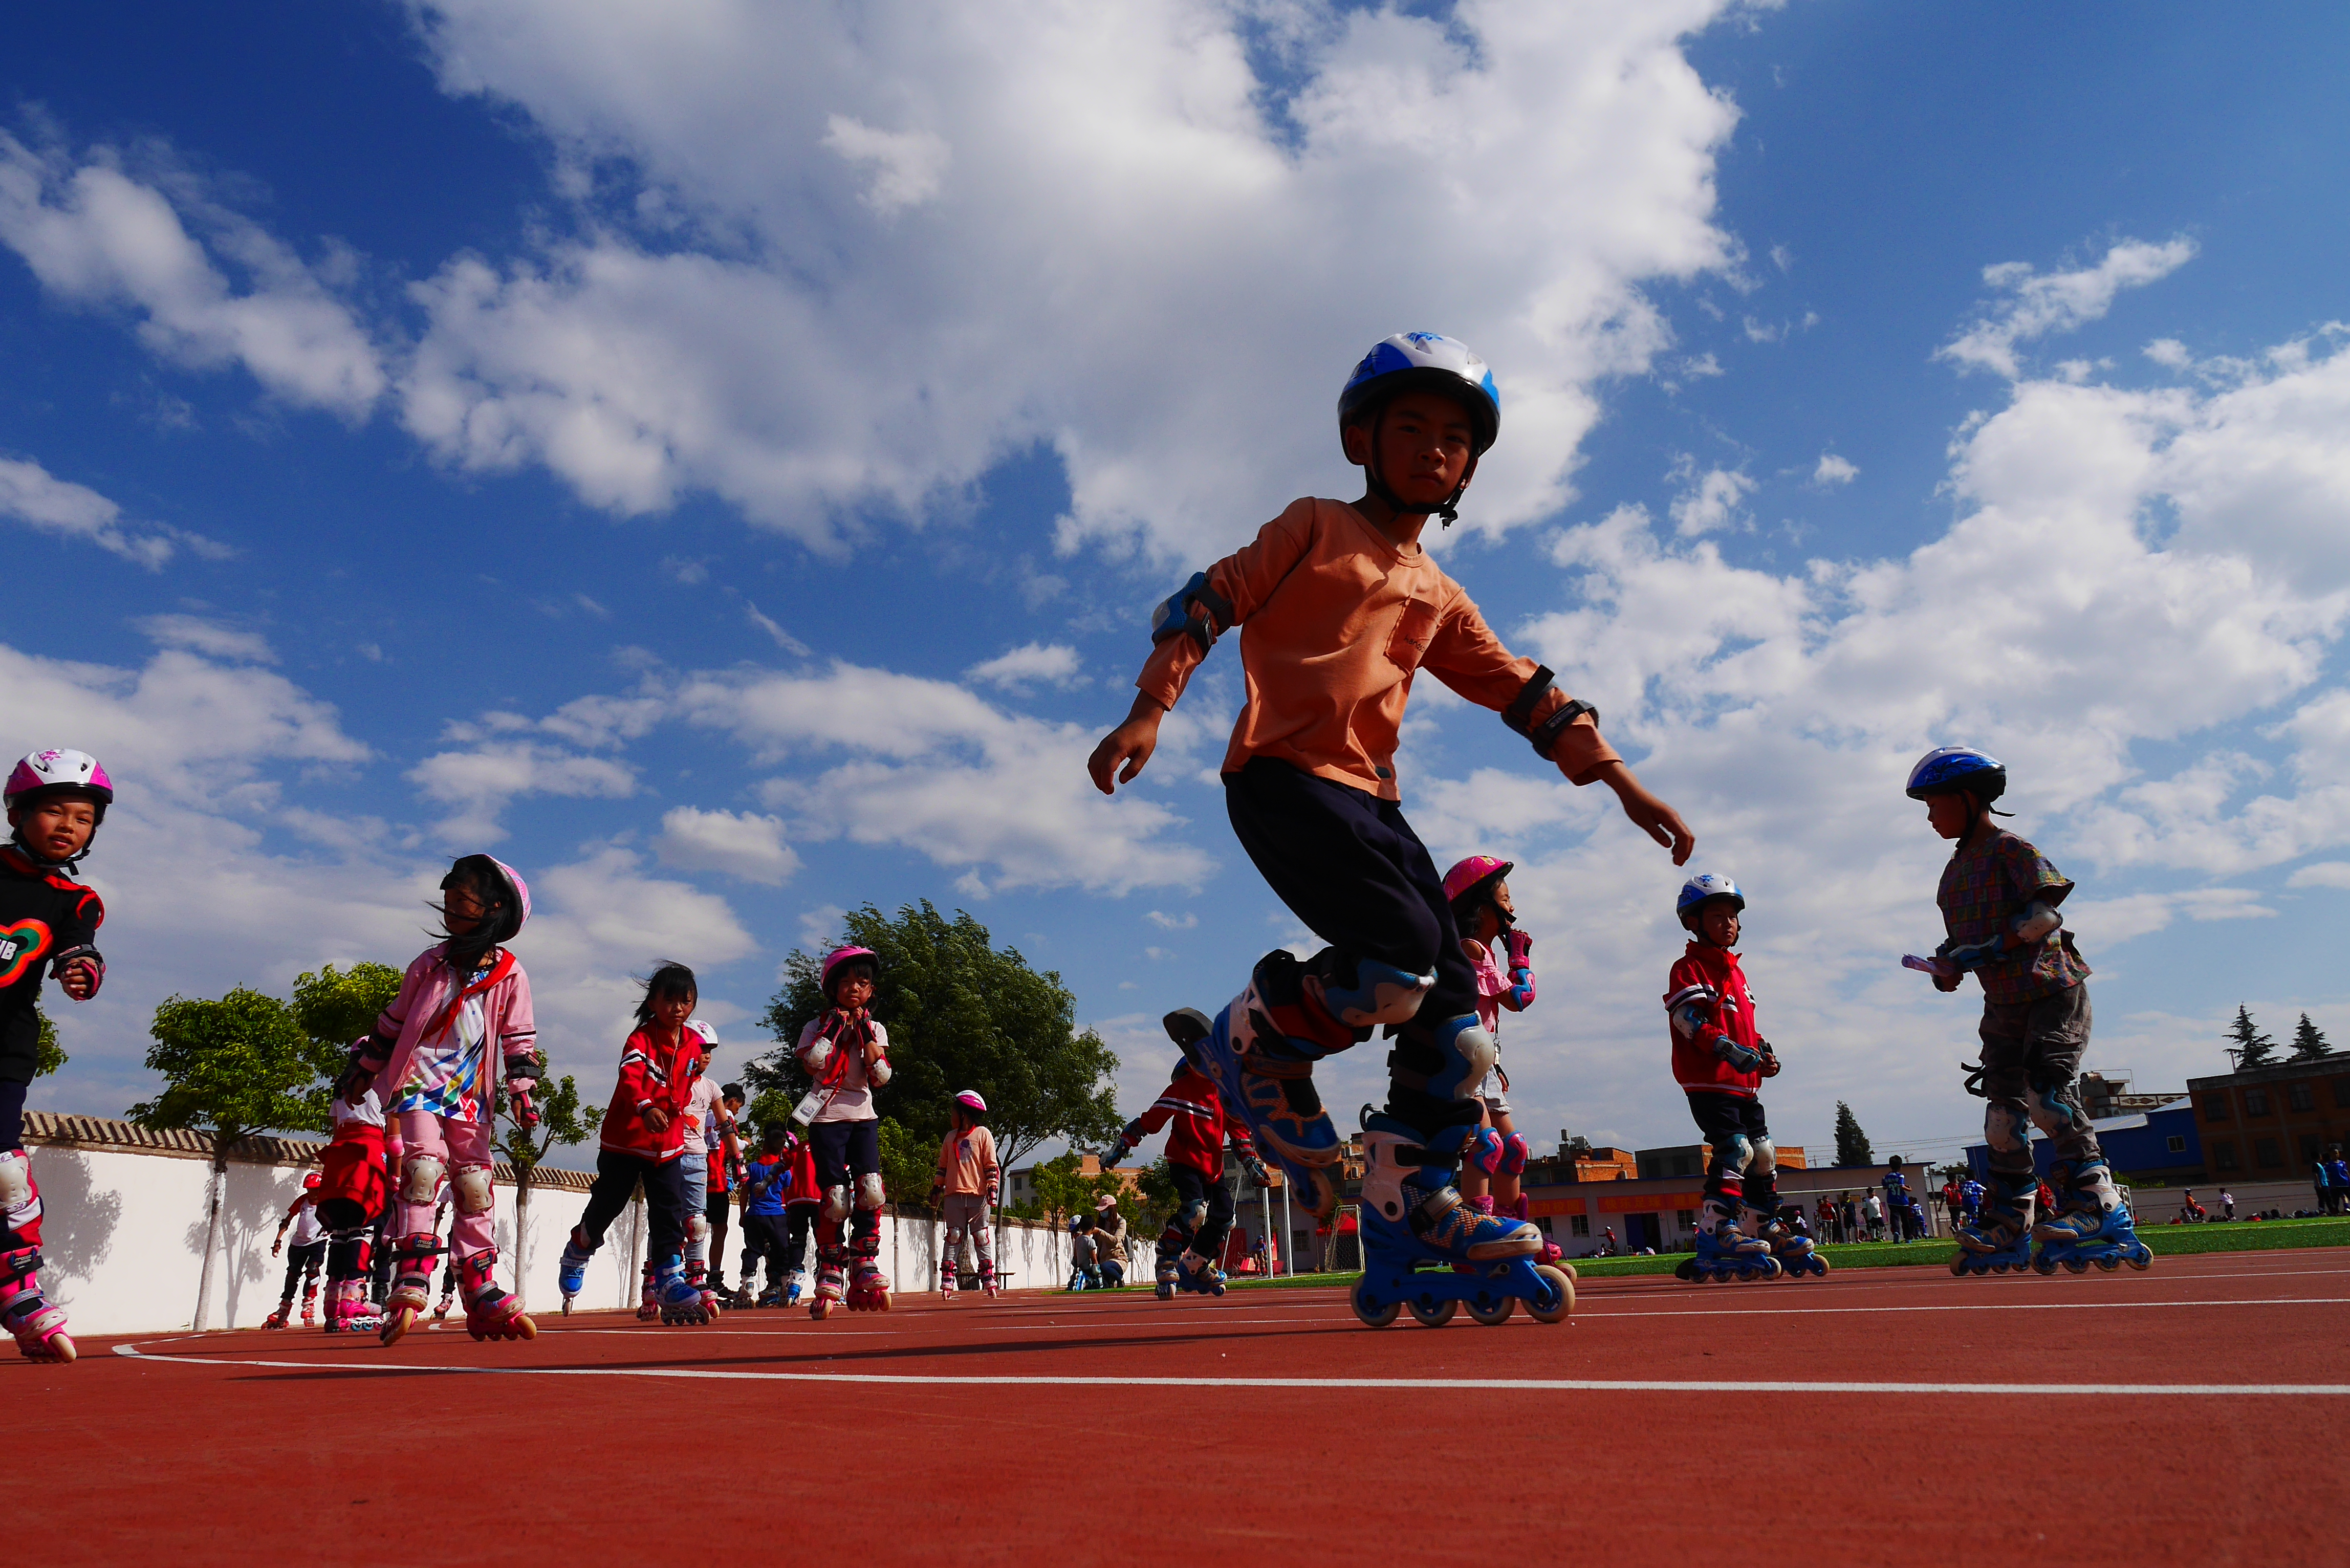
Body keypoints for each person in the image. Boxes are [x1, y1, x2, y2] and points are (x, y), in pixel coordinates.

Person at [1086, 333, 1690, 1321]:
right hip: (1282, 778)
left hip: (1375, 802)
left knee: (1461, 1035)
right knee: (1398, 963)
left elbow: (1521, 687)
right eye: (1410, 428)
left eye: (1455, 439)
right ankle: (1263, 1033)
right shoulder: (1313, 525)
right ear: (1360, 437)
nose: (1434, 450)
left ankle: (1408, 1200)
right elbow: (1207, 599)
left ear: (1470, 467)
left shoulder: (1438, 591)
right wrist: (1152, 704)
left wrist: (1620, 780)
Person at [1907, 747, 2149, 1276]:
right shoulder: (1953, 875)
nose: (1928, 815)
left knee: (2047, 1098)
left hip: (2049, 989)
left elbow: (2045, 917)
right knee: (2002, 1118)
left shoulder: (2011, 849)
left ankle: (2097, 1204)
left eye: (1933, 803)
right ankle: (2010, 1215)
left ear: (1968, 799)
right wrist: (1947, 967)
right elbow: (1961, 944)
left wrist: (1987, 949)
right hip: (2003, 1002)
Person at [338, 853, 538, 1344]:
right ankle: (412, 1271)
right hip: (419, 1081)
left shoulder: (510, 974)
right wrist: (364, 1070)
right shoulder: (429, 965)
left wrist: (523, 1092)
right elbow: (393, 1021)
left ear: (495, 909)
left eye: (461, 901)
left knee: (474, 1181)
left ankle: (479, 1283)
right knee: (423, 1169)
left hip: (471, 1090)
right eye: (448, 902)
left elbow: (518, 1039)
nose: (450, 911)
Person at [0, 749, 112, 1363]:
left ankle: (18, 1290)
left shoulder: (76, 898)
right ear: (17, 811)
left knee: (4, 1172)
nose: (69, 825)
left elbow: (81, 949)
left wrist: (80, 970)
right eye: (53, 810)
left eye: (83, 817)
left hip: (4, 1051)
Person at [1664, 875, 1820, 1281]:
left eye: (1733, 916)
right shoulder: (1689, 968)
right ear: (1692, 922)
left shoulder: (1737, 973)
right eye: (1718, 916)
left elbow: (1746, 1028)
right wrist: (1728, 1050)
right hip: (1709, 1081)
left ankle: (1761, 1223)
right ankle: (1717, 1229)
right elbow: (1687, 1019)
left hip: (1745, 1084)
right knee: (1736, 1150)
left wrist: (1764, 1053)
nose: (1729, 923)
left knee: (1764, 1154)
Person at [556, 962, 712, 1325]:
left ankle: (670, 1278)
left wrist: (676, 1112)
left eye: (685, 1001)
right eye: (669, 1000)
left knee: (669, 1212)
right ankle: (579, 1248)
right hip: (626, 1139)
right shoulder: (640, 1039)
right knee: (607, 1205)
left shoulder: (692, 1044)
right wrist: (646, 1108)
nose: (677, 1008)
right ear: (654, 1002)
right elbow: (629, 1076)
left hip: (669, 1145)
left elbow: (686, 1084)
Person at [1114, 1012, 1271, 1299]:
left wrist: (1252, 1166)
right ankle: (1166, 1256)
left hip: (1213, 1168)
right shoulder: (1182, 1089)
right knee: (1195, 1211)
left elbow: (1238, 1133)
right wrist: (1122, 1146)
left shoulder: (1223, 1095)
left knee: (1225, 1219)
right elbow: (1150, 1120)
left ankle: (1196, 1263)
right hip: (1184, 1161)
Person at [795, 946, 895, 1317]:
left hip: (863, 1115)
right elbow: (812, 1065)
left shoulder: (876, 1028)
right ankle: (832, 1265)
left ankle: (865, 1259)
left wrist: (866, 1032)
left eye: (863, 982)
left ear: (871, 991)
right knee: (835, 1197)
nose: (855, 988)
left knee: (870, 1190)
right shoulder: (814, 1026)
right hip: (826, 1118)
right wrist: (834, 1029)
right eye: (847, 981)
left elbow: (881, 1075)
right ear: (832, 987)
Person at [1442, 857, 1537, 1229]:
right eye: (1506, 897)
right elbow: (1519, 999)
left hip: (1484, 1064)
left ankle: (1511, 1229)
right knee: (1487, 1146)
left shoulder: (1483, 951)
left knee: (1514, 1148)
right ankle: (1476, 1233)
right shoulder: (1471, 950)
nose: (1513, 906)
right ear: (1482, 908)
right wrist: (1520, 957)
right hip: (1464, 1065)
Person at [316, 1085, 387, 1333]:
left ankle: (333, 1298)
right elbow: (396, 1139)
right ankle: (353, 1299)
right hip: (368, 1151)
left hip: (339, 1156)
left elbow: (337, 1130)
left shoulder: (340, 1090)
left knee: (340, 1231)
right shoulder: (386, 1085)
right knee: (363, 1226)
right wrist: (397, 1175)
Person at [929, 1089, 1000, 1299]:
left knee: (981, 1237)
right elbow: (942, 1167)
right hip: (953, 1196)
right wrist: (936, 1188)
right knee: (953, 1237)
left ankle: (989, 1279)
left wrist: (992, 1186)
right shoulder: (950, 1138)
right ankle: (947, 1280)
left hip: (978, 1197)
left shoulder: (983, 1134)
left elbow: (991, 1165)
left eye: (954, 1112)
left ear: (964, 1114)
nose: (951, 1116)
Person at [677, 1019, 727, 1318]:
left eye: (710, 1051)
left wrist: (739, 1161)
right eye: (701, 1049)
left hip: (697, 1158)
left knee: (696, 1222)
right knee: (667, 1219)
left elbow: (725, 1125)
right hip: (669, 1155)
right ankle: (656, 1276)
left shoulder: (711, 1087)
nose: (706, 1056)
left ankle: (696, 1276)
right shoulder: (673, 1079)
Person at [733, 1123, 795, 1308]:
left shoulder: (752, 1168)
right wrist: (790, 1215)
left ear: (763, 1146)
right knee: (782, 1251)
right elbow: (788, 1193)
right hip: (777, 1215)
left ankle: (748, 1284)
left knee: (753, 1250)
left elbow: (744, 1192)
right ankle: (785, 1285)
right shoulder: (784, 1170)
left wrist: (743, 1213)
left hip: (755, 1215)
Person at [266, 1173, 330, 1329]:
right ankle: (284, 1308)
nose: (313, 1194)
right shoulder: (302, 1201)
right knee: (292, 1274)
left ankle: (309, 1303)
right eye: (310, 1190)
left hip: (317, 1241)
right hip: (298, 1244)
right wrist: (277, 1241)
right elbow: (287, 1220)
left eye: (316, 1190)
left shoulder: (327, 1203)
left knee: (313, 1269)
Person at [705, 1083, 748, 1297]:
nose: (736, 1111)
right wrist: (745, 1144)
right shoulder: (723, 1116)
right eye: (738, 1107)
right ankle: (713, 1278)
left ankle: (689, 1274)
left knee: (692, 1229)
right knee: (719, 1229)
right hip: (715, 1179)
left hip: (702, 1177)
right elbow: (730, 1144)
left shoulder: (703, 1114)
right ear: (731, 1102)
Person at [1092, 1192, 1129, 1289]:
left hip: (1118, 1260)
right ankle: (1110, 1281)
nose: (1102, 1212)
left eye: (1105, 1210)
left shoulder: (1121, 1222)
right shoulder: (1102, 1224)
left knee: (1105, 1267)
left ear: (1112, 1209)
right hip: (1103, 1260)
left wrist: (1100, 1232)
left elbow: (1115, 1240)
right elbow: (1094, 1243)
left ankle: (1119, 1279)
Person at [1067, 1213, 1100, 1291]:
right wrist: (1098, 1270)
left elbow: (1075, 1256)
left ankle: (1080, 1280)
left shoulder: (1077, 1240)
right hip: (1088, 1268)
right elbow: (1093, 1258)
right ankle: (1088, 1282)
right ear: (1094, 1227)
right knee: (1100, 1283)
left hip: (1080, 1266)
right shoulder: (1091, 1241)